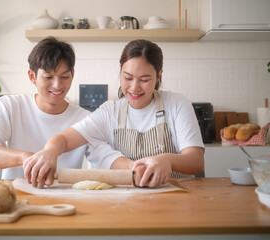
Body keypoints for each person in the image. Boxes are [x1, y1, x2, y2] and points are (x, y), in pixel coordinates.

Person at [23, 39, 205, 188]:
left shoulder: (176, 104)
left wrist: (167, 160)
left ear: (159, 75)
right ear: (120, 71)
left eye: (145, 79)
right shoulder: (110, 112)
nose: (134, 87)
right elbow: (62, 139)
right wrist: (50, 152)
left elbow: (196, 161)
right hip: (129, 201)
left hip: (178, 196)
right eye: (128, 78)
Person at [0, 36, 122, 188]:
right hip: (15, 196)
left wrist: (134, 169)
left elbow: (106, 158)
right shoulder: (10, 106)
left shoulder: (84, 118)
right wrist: (28, 158)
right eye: (48, 77)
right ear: (32, 76)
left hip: (64, 200)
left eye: (64, 76)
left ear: (72, 73)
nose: (57, 85)